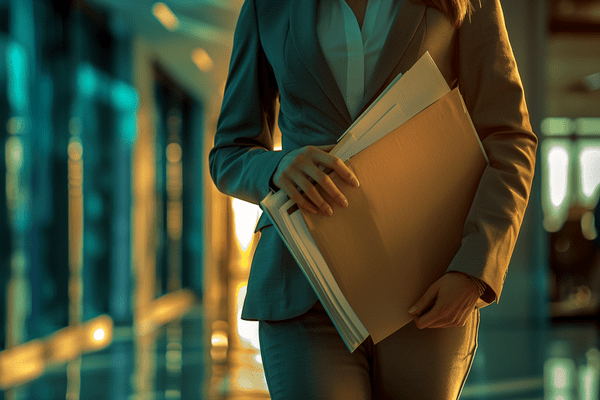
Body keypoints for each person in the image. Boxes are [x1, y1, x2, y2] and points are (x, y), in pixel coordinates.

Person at [209, 0, 537, 398]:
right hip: (304, 283)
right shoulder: (269, 6)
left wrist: (475, 269)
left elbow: (509, 138)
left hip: (427, 279)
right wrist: (276, 169)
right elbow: (229, 150)